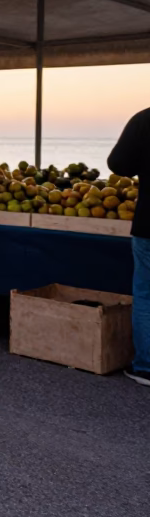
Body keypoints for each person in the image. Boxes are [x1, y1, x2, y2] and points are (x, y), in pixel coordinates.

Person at [109, 106, 150, 385]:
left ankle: (145, 367)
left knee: (146, 295)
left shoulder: (145, 119)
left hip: (149, 223)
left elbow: (118, 164)